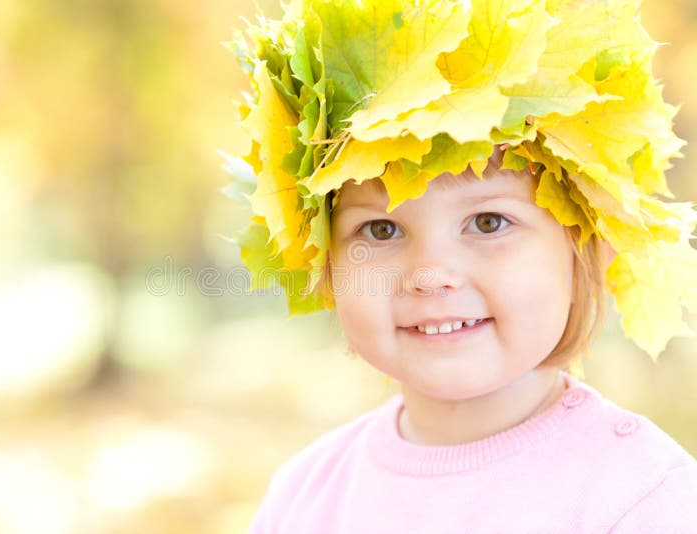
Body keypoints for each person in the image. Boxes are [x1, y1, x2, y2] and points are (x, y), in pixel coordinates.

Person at [223, 0, 697, 531]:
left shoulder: (642, 499)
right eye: (381, 230)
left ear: (585, 242)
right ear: (325, 263)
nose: (430, 274)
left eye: (489, 222)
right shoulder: (304, 498)